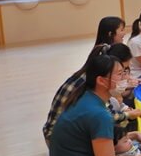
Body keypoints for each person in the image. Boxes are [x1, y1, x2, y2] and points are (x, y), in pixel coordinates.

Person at [43, 17, 128, 146]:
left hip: (58, 135)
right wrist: (127, 115)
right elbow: (107, 117)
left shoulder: (95, 68)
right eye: (121, 73)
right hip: (60, 142)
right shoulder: (91, 84)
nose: (125, 32)